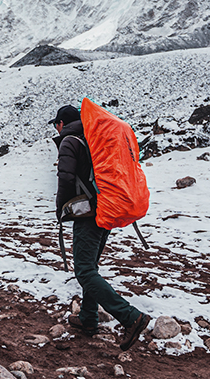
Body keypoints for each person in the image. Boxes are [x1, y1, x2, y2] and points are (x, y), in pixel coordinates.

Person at [51, 103, 151, 351]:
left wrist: (60, 208)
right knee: (90, 266)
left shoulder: (70, 141)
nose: (56, 128)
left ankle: (130, 317)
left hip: (87, 213)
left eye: (56, 124)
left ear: (62, 123)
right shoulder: (94, 138)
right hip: (107, 207)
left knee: (84, 271)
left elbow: (65, 177)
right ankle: (88, 318)